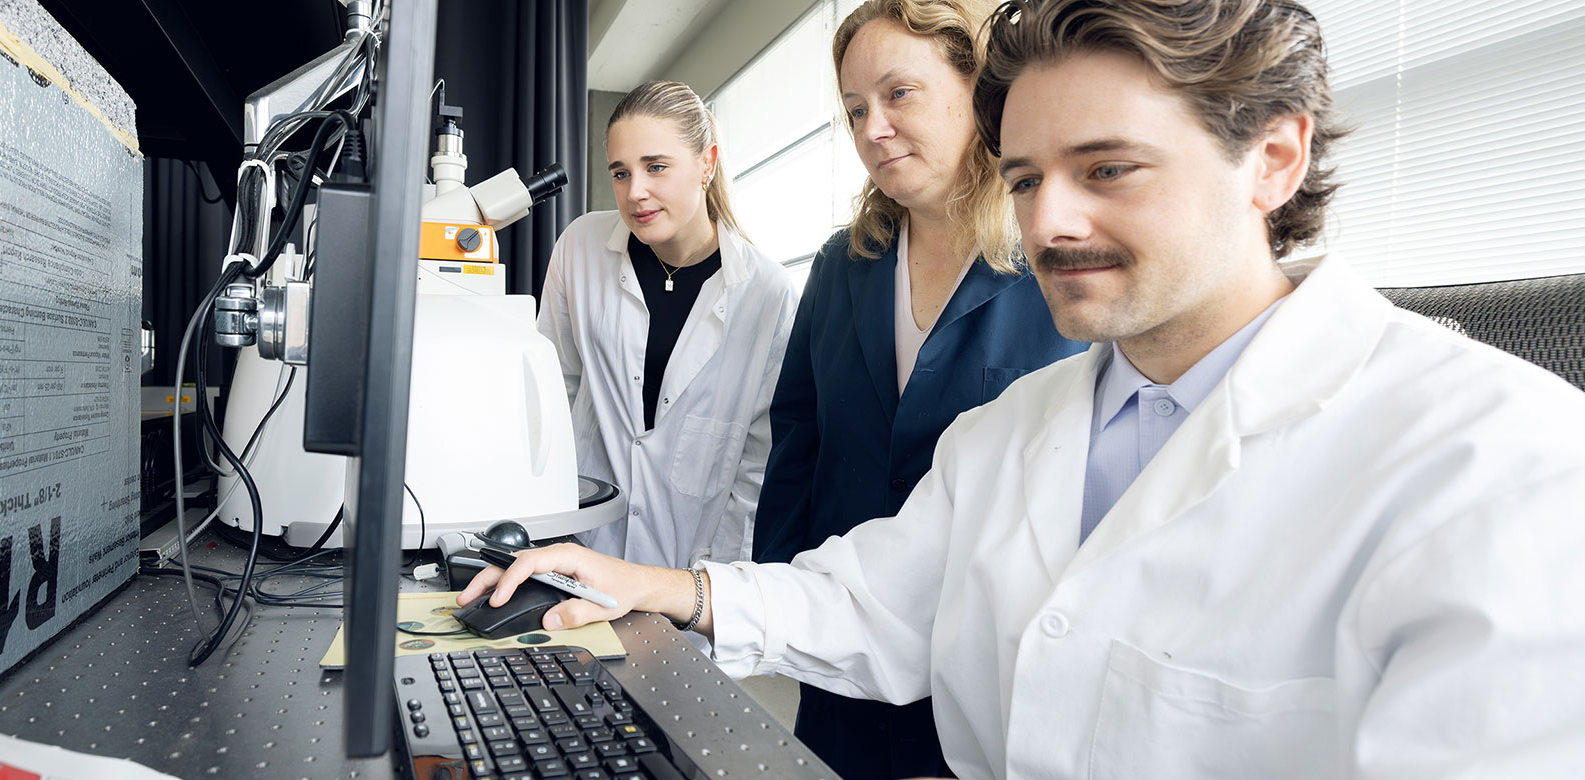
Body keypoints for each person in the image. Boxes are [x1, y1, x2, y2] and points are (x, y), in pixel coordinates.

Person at [469, 0, 1585, 776]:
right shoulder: (1018, 430)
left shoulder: (1503, 465)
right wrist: (661, 586)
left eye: (1107, 169)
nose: (1050, 222)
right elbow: (875, 600)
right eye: (1026, 178)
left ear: (1275, 160)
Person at [752, 1, 1084, 775]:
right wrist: (779, 589)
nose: (872, 129)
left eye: (899, 94)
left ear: (978, 89)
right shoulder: (844, 263)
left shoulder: (1058, 263)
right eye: (855, 108)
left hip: (990, 658)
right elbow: (798, 435)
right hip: (841, 642)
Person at [537, 80, 798, 572]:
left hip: (689, 572)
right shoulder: (580, 246)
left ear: (707, 164)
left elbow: (756, 463)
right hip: (579, 549)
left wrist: (713, 584)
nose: (636, 192)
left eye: (656, 167)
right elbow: (552, 393)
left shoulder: (767, 292)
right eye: (620, 172)